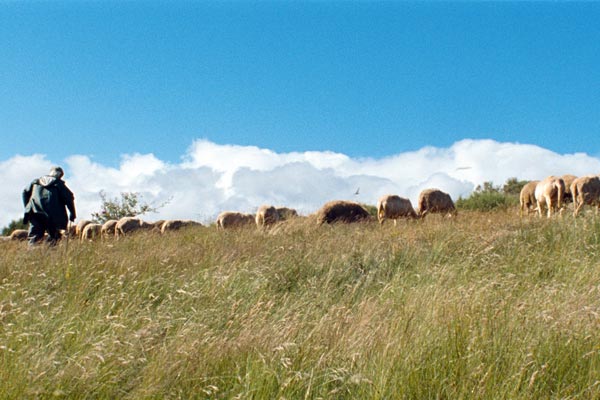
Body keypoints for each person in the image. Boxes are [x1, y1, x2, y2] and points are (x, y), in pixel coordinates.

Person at [22, 166, 76, 246]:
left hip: (35, 212)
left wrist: (27, 206)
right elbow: (69, 198)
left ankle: (33, 255)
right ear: (60, 175)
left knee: (34, 236)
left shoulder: (35, 182)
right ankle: (50, 253)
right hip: (53, 215)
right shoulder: (59, 184)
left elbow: (24, 192)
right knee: (54, 236)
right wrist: (72, 214)